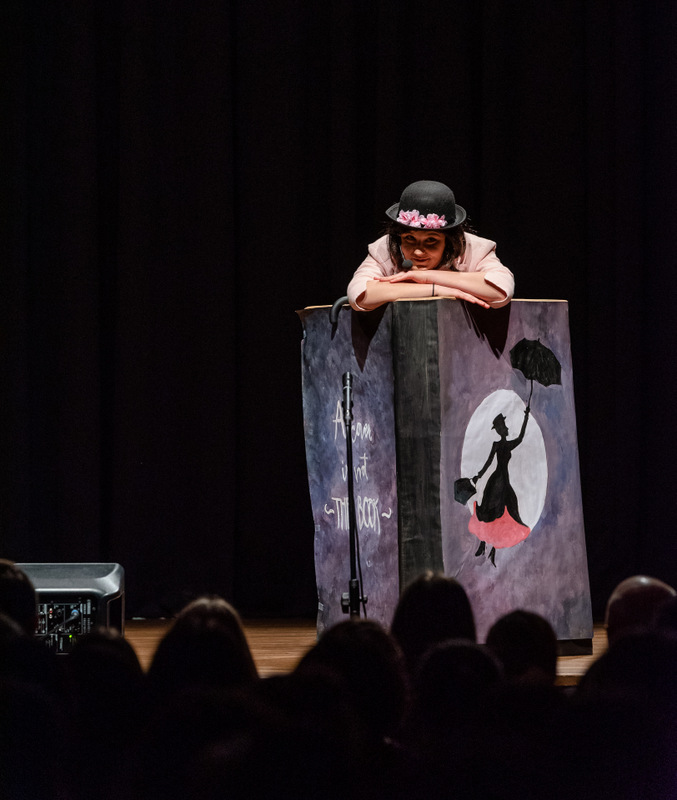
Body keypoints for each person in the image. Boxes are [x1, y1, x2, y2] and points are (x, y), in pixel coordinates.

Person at [347, 180, 514, 312]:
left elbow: (501, 290)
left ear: (450, 240)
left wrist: (427, 277)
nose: (418, 251)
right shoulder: (385, 248)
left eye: (431, 240)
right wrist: (436, 290)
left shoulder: (474, 248)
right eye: (410, 238)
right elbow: (358, 295)